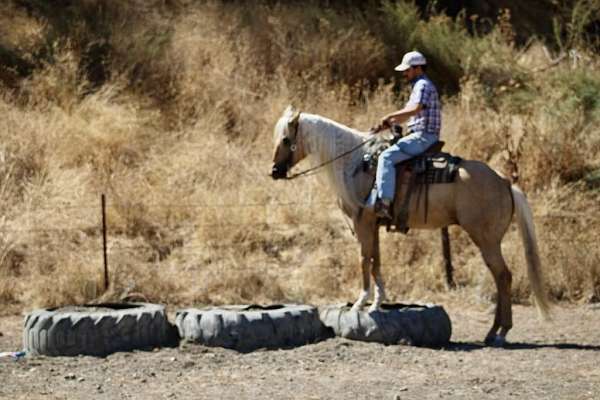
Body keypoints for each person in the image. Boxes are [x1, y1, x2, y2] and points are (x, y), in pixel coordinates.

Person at [370, 50, 441, 219]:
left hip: (424, 136)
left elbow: (415, 109)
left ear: (418, 68)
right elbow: (410, 114)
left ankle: (385, 203)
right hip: (421, 134)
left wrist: (390, 116)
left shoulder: (423, 85)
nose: (404, 74)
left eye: (407, 70)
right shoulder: (420, 86)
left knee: (386, 157)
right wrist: (386, 124)